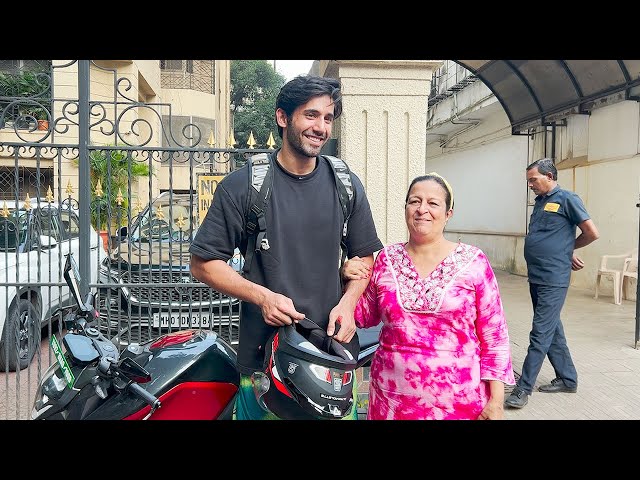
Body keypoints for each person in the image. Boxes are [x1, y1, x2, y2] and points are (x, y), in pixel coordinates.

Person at [189, 75, 383, 420]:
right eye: (311, 115)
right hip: (265, 363)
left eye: (327, 118)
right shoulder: (243, 186)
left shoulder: (346, 184)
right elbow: (203, 264)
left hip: (332, 357)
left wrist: (349, 302)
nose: (321, 127)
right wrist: (263, 297)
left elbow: (364, 255)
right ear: (283, 117)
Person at [342, 173, 515, 420]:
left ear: (448, 214)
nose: (422, 209)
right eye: (415, 201)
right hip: (391, 403)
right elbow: (362, 316)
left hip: (459, 406)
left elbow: (495, 338)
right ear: (405, 209)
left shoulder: (473, 262)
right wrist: (345, 275)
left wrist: (496, 402)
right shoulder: (387, 260)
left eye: (433, 203)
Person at [504, 158, 600, 409]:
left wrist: (567, 249)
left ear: (549, 176)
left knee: (540, 332)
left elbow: (591, 232)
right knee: (552, 328)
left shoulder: (568, 199)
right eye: (529, 181)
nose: (531, 185)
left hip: (553, 278)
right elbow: (551, 236)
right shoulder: (540, 202)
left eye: (533, 180)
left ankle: (523, 388)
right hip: (537, 274)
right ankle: (568, 379)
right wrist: (563, 248)